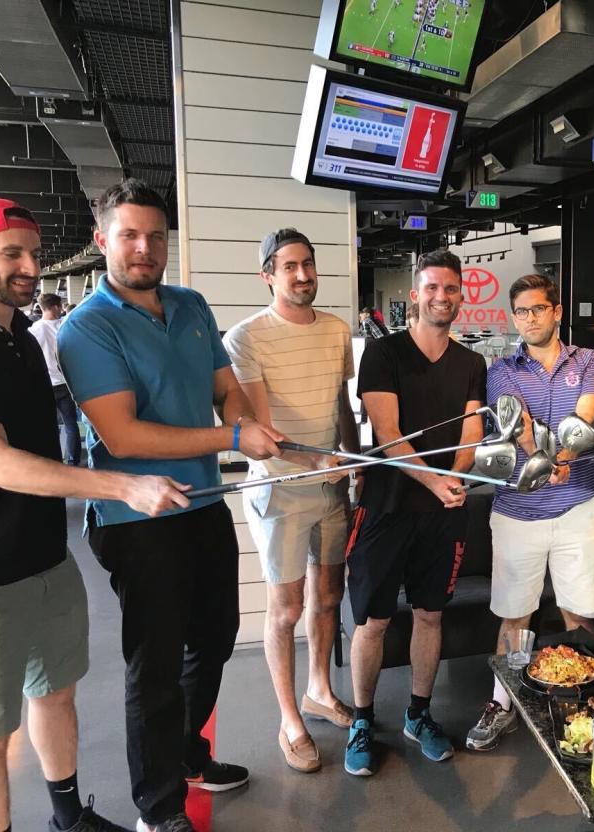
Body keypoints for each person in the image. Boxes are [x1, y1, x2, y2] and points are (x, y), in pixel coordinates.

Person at [58, 179, 285, 832]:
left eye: (156, 236)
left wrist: (244, 420)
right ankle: (158, 812)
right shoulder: (87, 327)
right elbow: (123, 434)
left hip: (203, 503)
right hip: (139, 519)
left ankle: (188, 755)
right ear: (103, 241)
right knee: (153, 669)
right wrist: (235, 436)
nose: (144, 248)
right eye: (129, 235)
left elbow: (226, 390)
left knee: (213, 639)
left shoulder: (189, 304)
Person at [0, 196, 190, 832]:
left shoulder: (22, 337)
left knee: (56, 691)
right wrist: (119, 486)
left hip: (45, 557)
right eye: (12, 254)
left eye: (33, 254)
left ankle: (67, 818)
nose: (29, 267)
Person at [343, 249, 486, 777]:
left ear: (460, 296)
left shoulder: (473, 363)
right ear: (414, 294)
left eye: (450, 289)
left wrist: (459, 475)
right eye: (432, 288)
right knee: (373, 621)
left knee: (431, 613)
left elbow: (472, 429)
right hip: (386, 507)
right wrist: (435, 479)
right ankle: (362, 720)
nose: (441, 297)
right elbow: (388, 435)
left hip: (444, 510)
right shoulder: (383, 355)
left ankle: (419, 715)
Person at [223, 228, 360, 774]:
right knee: (284, 609)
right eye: (289, 267)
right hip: (280, 489)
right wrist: (315, 462)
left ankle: (319, 691)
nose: (302, 276)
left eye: (308, 264)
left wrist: (356, 462)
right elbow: (261, 426)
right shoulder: (246, 337)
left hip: (333, 486)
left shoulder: (335, 329)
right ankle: (289, 719)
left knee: (328, 598)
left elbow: (342, 409)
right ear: (268, 276)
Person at [465, 274, 594, 752]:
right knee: (514, 615)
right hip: (516, 511)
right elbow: (517, 422)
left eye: (537, 309)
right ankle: (503, 702)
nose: (529, 319)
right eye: (521, 312)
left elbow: (586, 415)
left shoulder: (590, 361)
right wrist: (545, 459)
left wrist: (562, 461)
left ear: (556, 311)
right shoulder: (502, 369)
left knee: (581, 615)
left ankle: (578, 705)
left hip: (576, 507)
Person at [29, 293, 82, 466]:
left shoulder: (34, 330)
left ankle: (52, 461)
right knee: (71, 424)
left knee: (48, 425)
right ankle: (73, 462)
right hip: (66, 384)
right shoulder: (66, 326)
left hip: (45, 385)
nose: (61, 309)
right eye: (60, 306)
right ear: (54, 307)